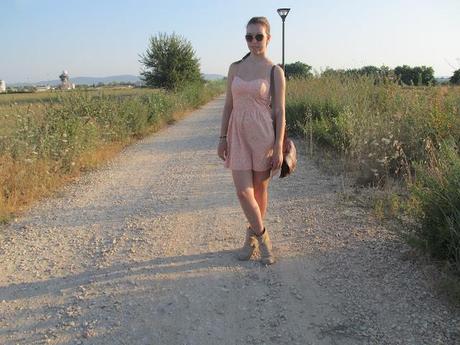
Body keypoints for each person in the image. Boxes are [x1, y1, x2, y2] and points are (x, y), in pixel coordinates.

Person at [217, 16, 286, 265]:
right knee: (243, 192)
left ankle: (251, 238)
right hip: (237, 134)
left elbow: (279, 112)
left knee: (259, 191)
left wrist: (278, 146)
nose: (254, 41)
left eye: (259, 36)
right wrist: (222, 137)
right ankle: (264, 238)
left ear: (268, 38)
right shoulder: (235, 68)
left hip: (263, 136)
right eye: (249, 36)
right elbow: (227, 106)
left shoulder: (274, 71)